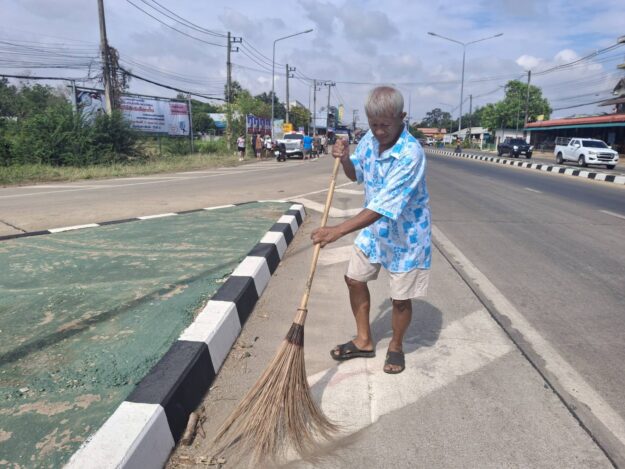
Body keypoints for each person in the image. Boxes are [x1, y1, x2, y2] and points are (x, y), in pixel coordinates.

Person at [311, 86, 431, 374]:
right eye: (373, 124)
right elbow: (357, 175)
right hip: (374, 231)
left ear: (401, 117)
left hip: (407, 236)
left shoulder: (411, 153)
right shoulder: (369, 140)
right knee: (354, 278)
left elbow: (384, 206)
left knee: (400, 299)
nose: (378, 131)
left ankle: (396, 346)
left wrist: (338, 231)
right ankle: (364, 340)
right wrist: (344, 159)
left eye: (385, 125)